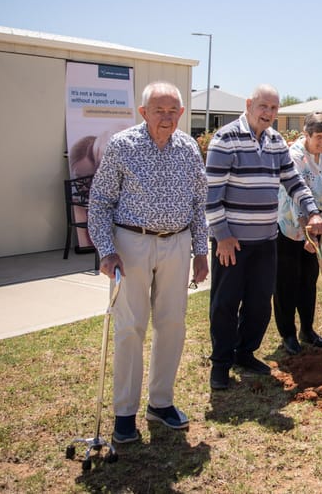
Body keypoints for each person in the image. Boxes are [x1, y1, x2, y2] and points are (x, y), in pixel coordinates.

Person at [87, 81, 209, 444]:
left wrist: (200, 251)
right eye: (160, 110)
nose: (167, 118)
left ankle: (161, 402)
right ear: (143, 113)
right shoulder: (122, 145)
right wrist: (106, 249)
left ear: (181, 114)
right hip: (131, 245)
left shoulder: (188, 148)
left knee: (172, 324)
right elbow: (100, 201)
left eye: (174, 111)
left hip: (177, 244)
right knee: (130, 327)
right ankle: (124, 413)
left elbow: (198, 204)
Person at [205, 84, 322, 390]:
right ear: (249, 104)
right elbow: (211, 193)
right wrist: (222, 235)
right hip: (232, 242)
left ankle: (245, 353)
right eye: (264, 107)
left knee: (260, 304)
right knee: (226, 303)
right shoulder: (225, 139)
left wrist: (311, 211)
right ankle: (220, 364)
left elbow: (293, 181)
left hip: (265, 240)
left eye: (274, 108)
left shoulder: (275, 142)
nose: (269, 113)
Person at [273, 111, 322, 355]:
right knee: (287, 283)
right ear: (306, 135)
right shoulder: (294, 156)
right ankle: (288, 334)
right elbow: (291, 196)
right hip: (289, 228)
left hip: (316, 225)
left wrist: (319, 230)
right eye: (318, 136)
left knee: (309, 281)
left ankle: (307, 330)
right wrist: (305, 231)